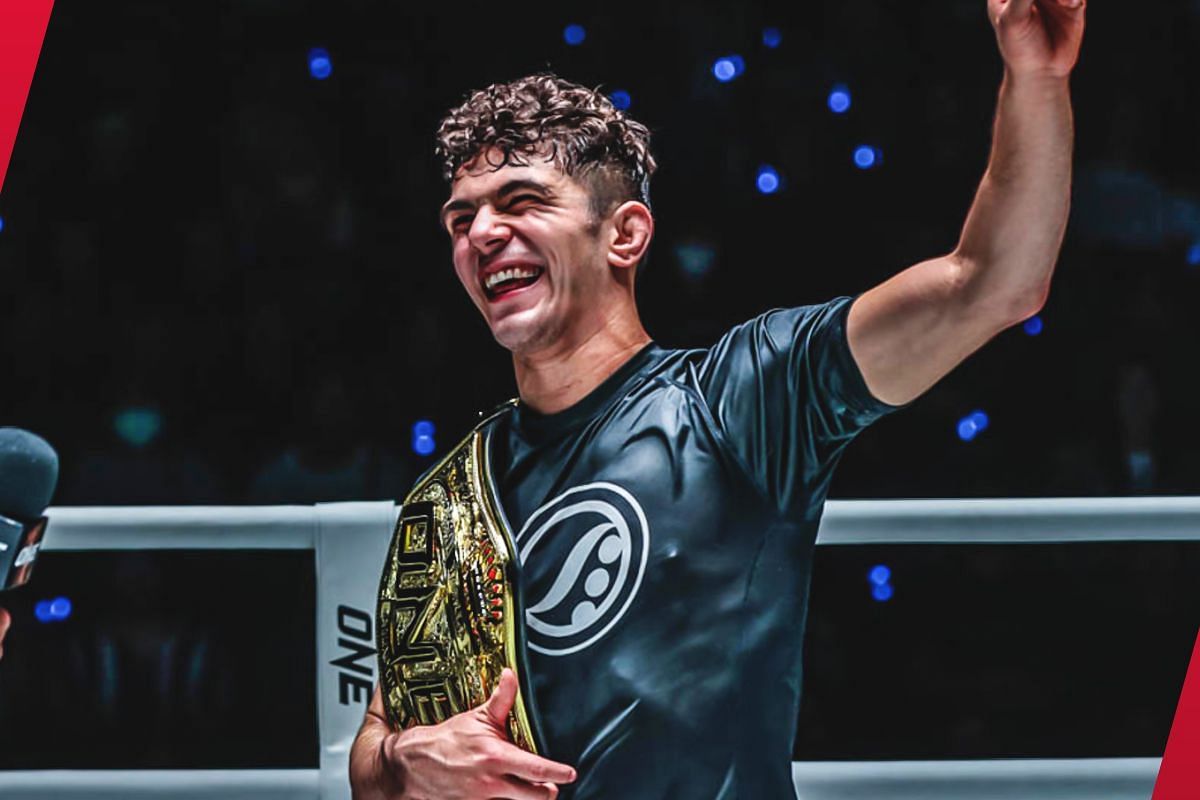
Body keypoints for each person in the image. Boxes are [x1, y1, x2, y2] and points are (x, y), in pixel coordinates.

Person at [350, 0, 1086, 797]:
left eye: (522, 203)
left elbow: (990, 285)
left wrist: (1035, 78)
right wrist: (405, 760)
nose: (481, 234)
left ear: (624, 234)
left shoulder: (742, 398)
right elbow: (373, 744)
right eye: (462, 218)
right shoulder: (452, 497)